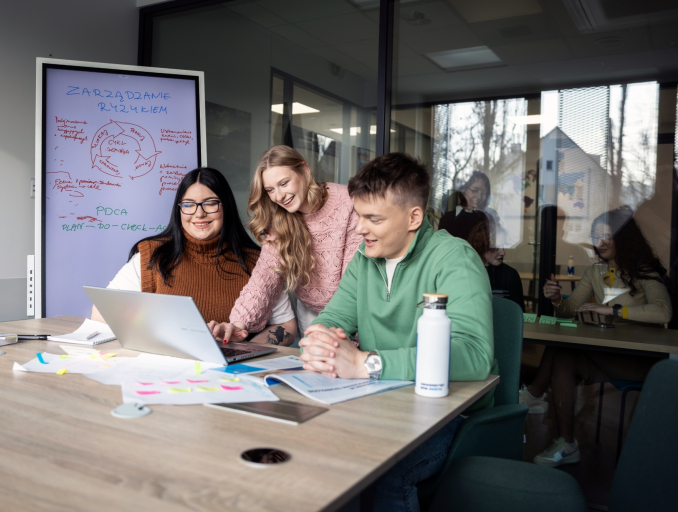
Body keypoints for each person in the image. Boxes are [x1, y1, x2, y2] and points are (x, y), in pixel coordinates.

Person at [299, 153, 495, 512]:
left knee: (389, 473)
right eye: (358, 215)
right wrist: (318, 343)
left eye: (373, 218)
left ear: (413, 218)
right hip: (381, 404)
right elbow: (329, 319)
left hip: (448, 413)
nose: (360, 229)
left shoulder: (454, 258)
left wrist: (368, 364)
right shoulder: (364, 258)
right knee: (319, 454)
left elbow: (474, 355)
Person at [520, 206, 672, 467]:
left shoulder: (644, 271)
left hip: (638, 360)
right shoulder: (594, 272)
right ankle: (566, 443)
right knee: (564, 356)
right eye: (596, 236)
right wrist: (557, 299)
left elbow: (663, 312)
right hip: (606, 354)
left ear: (622, 238)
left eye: (607, 236)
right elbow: (569, 310)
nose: (600, 242)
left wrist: (612, 309)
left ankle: (534, 394)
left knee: (563, 348)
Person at [91, 167, 297, 346]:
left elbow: (285, 325)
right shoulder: (151, 255)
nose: (199, 214)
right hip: (162, 371)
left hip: (232, 375)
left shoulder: (257, 262)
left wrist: (245, 345)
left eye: (210, 203)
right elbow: (102, 315)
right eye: (188, 205)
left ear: (226, 207)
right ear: (179, 210)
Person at [209, 145, 363, 341]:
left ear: (305, 170)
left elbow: (354, 281)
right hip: (311, 314)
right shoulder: (279, 220)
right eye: (270, 190)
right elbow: (263, 278)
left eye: (284, 183)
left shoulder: (349, 204)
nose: (279, 196)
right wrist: (237, 325)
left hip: (353, 311)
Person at [484, 226, 525, 312]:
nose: (503, 252)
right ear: (482, 245)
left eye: (503, 246)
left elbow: (519, 314)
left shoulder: (510, 275)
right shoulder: (468, 272)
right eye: (496, 247)